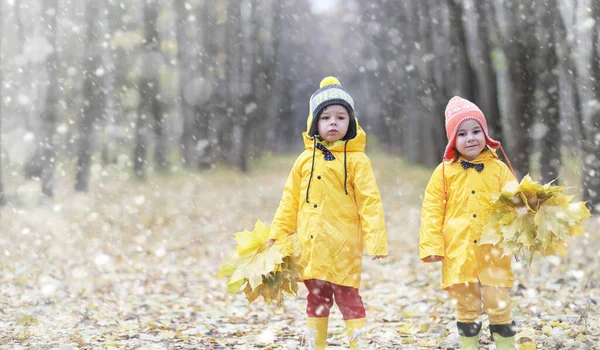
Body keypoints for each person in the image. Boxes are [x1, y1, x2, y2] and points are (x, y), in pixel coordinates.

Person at [267, 76, 388, 349]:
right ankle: (316, 344)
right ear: (314, 124)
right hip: (312, 246)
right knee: (316, 299)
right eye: (325, 118)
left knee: (348, 298)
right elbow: (289, 200)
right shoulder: (303, 161)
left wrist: (376, 241)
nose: (333, 123)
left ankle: (358, 342)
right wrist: (278, 235)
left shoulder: (358, 161)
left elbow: (370, 202)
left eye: (340, 117)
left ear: (351, 123)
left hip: (344, 245)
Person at [419, 96, 518, 350]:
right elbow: (432, 210)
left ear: (485, 134)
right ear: (453, 140)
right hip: (459, 253)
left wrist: (526, 219)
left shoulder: (498, 169)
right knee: (467, 307)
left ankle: (505, 345)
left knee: (499, 304)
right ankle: (469, 345)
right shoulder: (444, 173)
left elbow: (515, 203)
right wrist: (431, 245)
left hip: (493, 252)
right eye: (462, 134)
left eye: (476, 131)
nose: (471, 138)